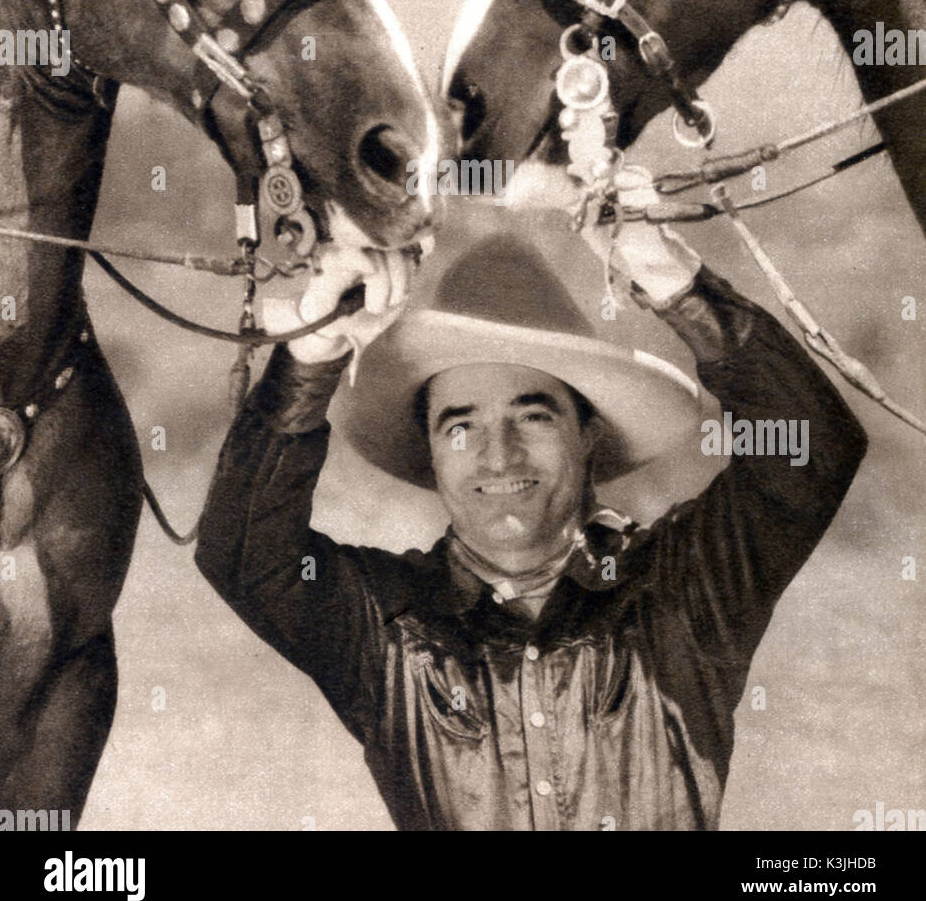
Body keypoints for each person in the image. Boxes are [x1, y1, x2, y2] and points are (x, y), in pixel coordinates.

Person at [195, 168, 867, 831]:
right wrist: (312, 349)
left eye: (534, 415)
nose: (499, 455)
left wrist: (673, 280)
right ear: (429, 451)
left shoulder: (683, 591)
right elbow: (244, 555)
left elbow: (812, 451)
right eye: (460, 426)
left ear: (589, 433)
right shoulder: (387, 631)